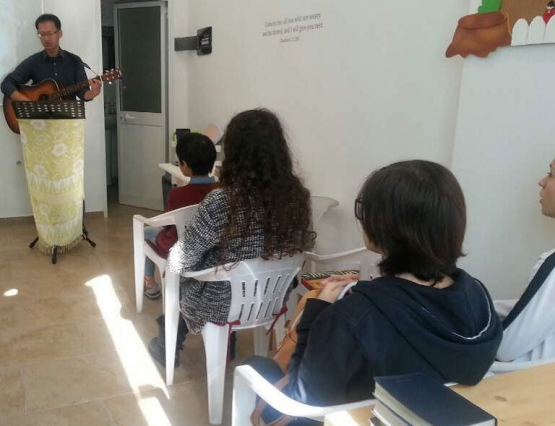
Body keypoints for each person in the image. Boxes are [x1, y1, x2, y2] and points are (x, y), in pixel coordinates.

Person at [249, 160, 502, 425]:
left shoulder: (348, 317)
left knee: (258, 366)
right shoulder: (478, 297)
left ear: (384, 227)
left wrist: (316, 312)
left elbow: (305, 400)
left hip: (352, 419)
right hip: (437, 415)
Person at [148, 109, 315, 366]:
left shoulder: (222, 201)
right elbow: (301, 246)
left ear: (233, 154)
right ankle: (226, 343)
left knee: (179, 275)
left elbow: (182, 259)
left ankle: (168, 339)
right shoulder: (298, 197)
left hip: (222, 303)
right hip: (273, 297)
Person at [143, 132, 218, 300]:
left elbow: (168, 225)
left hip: (179, 247)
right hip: (211, 249)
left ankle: (150, 283)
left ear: (184, 165)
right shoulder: (220, 190)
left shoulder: (177, 194)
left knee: (145, 232)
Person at [495, 158, 555, 362]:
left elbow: (506, 348)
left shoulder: (552, 265)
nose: (541, 182)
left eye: (551, 174)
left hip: (529, 378)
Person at [1, 14, 101, 102]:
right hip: (40, 116)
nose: (46, 38)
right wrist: (27, 102)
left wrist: (94, 92)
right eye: (42, 34)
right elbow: (6, 84)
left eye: (49, 34)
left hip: (68, 115)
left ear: (60, 34)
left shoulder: (74, 61)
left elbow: (83, 93)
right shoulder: (33, 61)